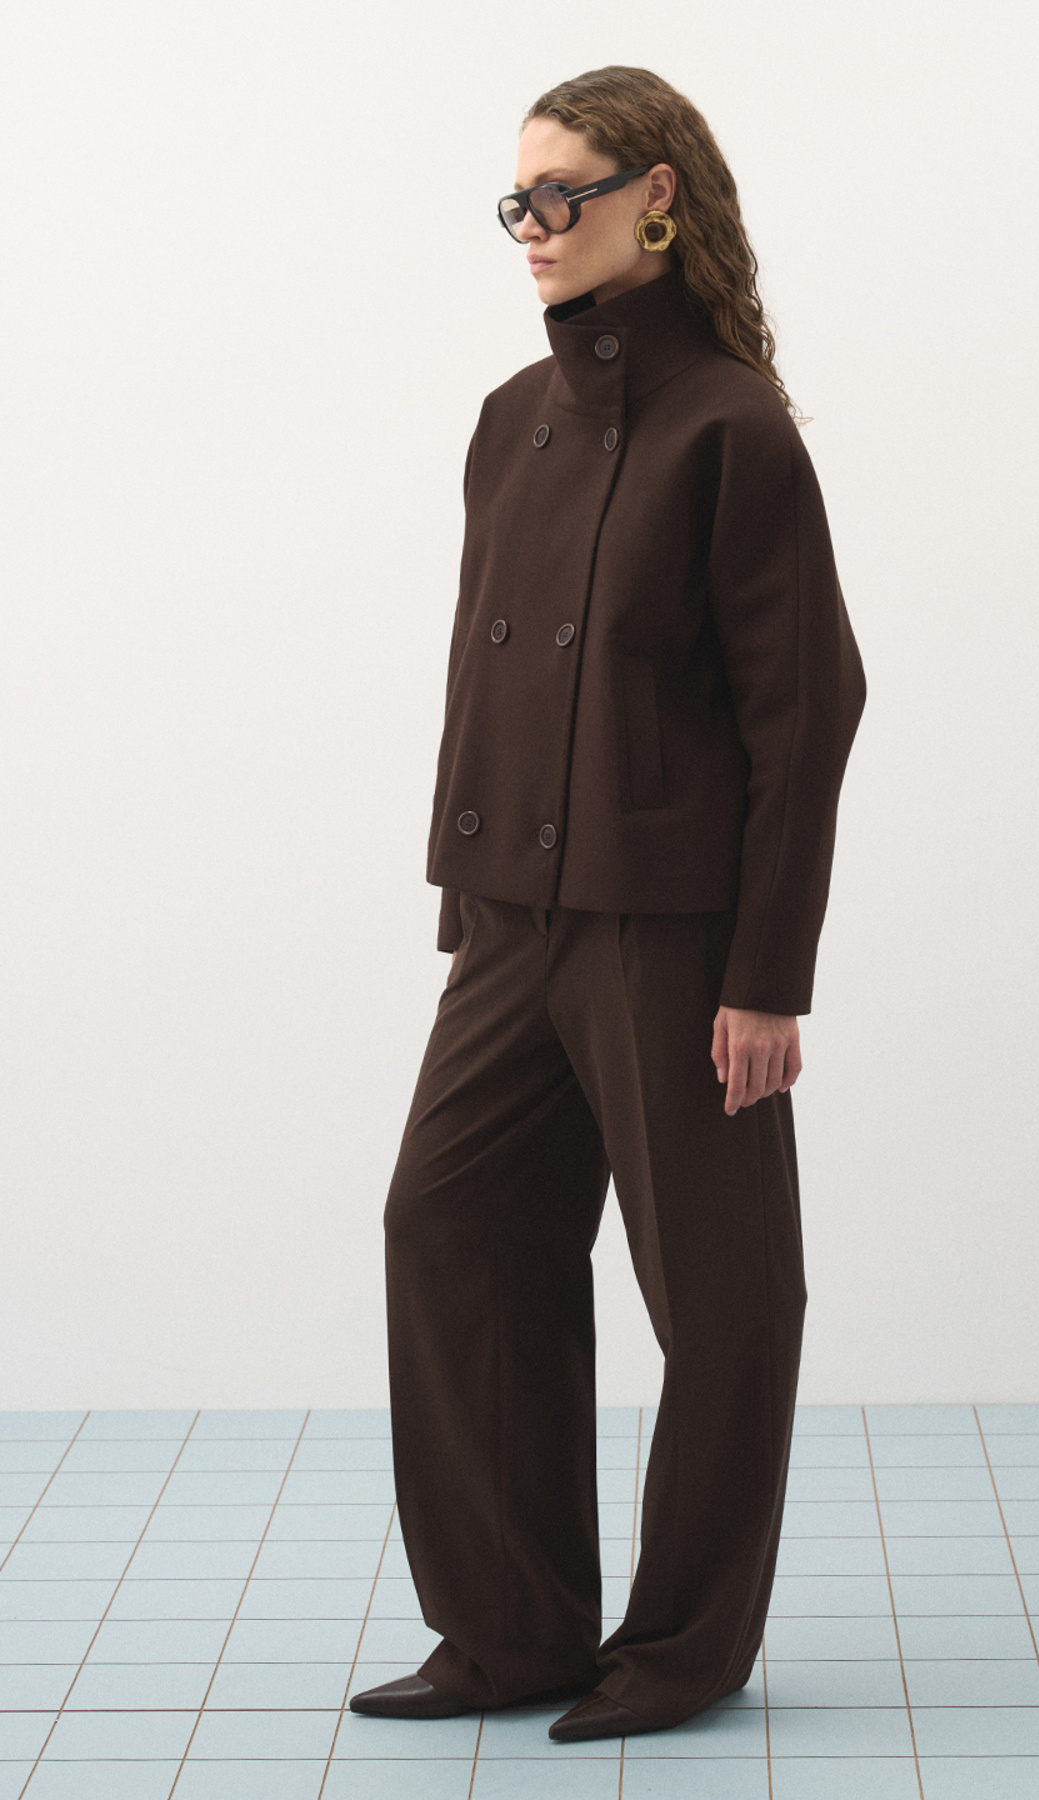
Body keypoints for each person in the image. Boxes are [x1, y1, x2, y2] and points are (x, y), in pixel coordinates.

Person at [349, 64, 866, 1744]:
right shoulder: (511, 418)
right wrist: (470, 899)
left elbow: (809, 711)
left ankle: (685, 1646)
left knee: (721, 1290)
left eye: (562, 192)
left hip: (670, 933)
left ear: (657, 198)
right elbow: (481, 672)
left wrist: (768, 974)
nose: (534, 225)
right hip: (514, 920)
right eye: (518, 199)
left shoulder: (733, 427)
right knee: (449, 1229)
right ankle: (510, 1634)